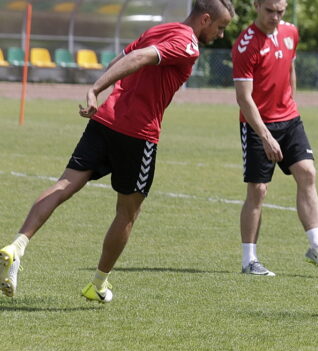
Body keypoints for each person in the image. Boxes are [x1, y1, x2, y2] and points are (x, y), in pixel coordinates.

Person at [0, 0, 234, 303]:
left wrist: (104, 93)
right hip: (138, 134)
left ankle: (17, 246)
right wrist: (96, 89)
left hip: (105, 121)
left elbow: (124, 57)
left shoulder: (159, 29)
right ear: (205, 19)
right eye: (220, 27)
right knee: (128, 212)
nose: (221, 34)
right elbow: (139, 57)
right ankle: (98, 284)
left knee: (64, 184)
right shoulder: (187, 44)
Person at [231, 0, 318, 276]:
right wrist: (265, 136)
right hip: (257, 125)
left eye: (280, 11)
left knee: (308, 173)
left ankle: (316, 247)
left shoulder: (291, 33)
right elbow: (243, 98)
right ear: (256, 6)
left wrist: (292, 105)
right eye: (269, 11)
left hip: (290, 120)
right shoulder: (246, 45)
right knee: (258, 191)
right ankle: (249, 260)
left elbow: (289, 71)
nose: (275, 17)